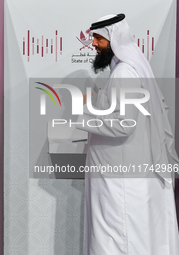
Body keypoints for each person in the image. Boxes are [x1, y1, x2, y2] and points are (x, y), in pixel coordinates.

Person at [77, 14, 179, 254]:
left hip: (120, 181)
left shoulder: (125, 74)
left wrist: (83, 115)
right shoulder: (129, 71)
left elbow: (124, 123)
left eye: (98, 39)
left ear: (114, 40)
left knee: (119, 239)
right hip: (121, 174)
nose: (93, 44)